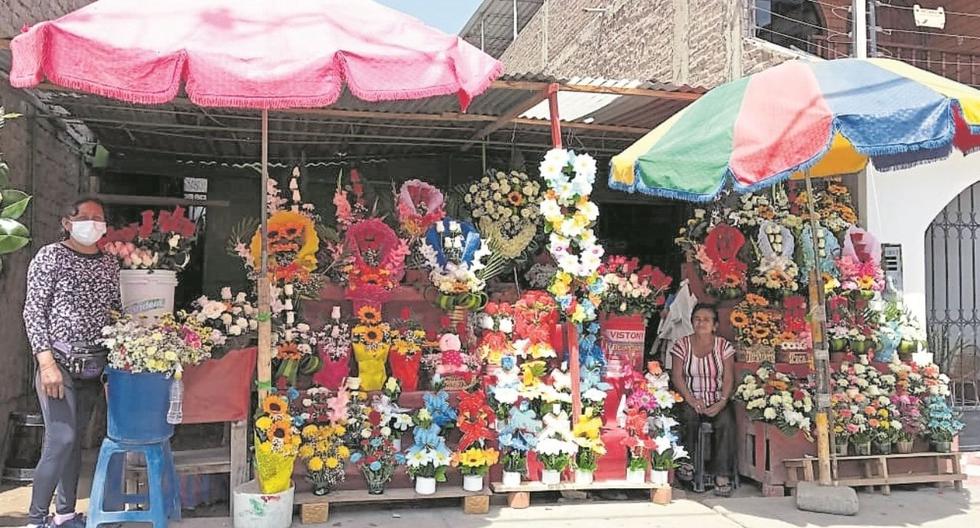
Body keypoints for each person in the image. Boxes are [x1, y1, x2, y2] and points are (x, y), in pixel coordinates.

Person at [22, 197, 120, 528]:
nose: (92, 223)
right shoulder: (50, 257)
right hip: (59, 361)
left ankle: (65, 515)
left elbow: (115, 310)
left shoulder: (109, 264)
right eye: (85, 217)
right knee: (60, 438)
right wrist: (46, 362)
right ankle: (35, 520)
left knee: (75, 440)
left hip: (93, 364)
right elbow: (33, 311)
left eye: (99, 218)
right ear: (68, 222)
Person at [669, 303, 736, 497]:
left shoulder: (724, 346)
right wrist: (691, 399)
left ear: (715, 325)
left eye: (706, 319)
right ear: (691, 323)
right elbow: (677, 376)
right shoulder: (682, 345)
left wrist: (721, 401)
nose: (701, 323)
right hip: (690, 398)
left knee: (726, 422)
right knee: (688, 418)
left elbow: (729, 377)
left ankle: (722, 474)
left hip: (717, 398)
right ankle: (687, 464)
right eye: (697, 319)